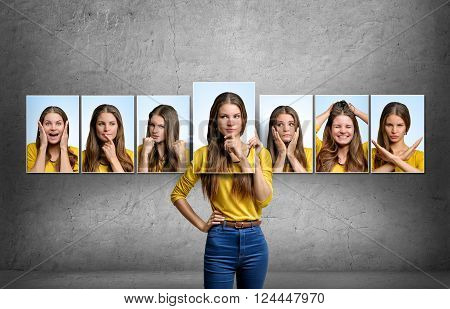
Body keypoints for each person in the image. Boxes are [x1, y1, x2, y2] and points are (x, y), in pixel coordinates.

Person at [170, 92, 273, 289]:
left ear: (243, 119)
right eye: (224, 116)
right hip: (220, 241)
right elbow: (177, 194)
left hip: (255, 242)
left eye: (236, 116)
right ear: (215, 121)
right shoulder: (204, 155)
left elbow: (264, 200)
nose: (231, 122)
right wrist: (202, 225)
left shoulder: (260, 153)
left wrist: (246, 160)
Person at [315, 100, 368, 172]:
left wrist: (357, 112)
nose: (343, 131)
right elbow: (309, 128)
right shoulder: (320, 149)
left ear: (354, 129)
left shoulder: (364, 151)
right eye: (337, 126)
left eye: (348, 127)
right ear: (330, 129)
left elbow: (379, 126)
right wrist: (327, 113)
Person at [372, 102, 424, 173]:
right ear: (383, 126)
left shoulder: (420, 156)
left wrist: (395, 160)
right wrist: (400, 159)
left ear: (407, 127)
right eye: (389, 125)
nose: (394, 131)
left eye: (399, 125)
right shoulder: (372, 154)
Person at [82, 104, 134, 172]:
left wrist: (113, 159)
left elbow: (126, 182)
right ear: (94, 127)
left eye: (112, 124)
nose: (106, 129)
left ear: (118, 127)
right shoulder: (82, 156)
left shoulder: (132, 156)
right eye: (101, 124)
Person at [27, 106, 78, 173]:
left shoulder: (76, 152)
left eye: (58, 123)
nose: (53, 128)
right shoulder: (31, 149)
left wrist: (63, 148)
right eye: (48, 123)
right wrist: (43, 146)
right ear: (41, 127)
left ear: (65, 127)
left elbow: (68, 181)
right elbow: (33, 180)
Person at [138, 105, 187, 172]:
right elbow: (140, 181)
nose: (155, 131)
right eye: (152, 125)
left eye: (161, 126)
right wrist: (144, 154)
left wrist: (181, 158)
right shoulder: (139, 150)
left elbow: (183, 181)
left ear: (171, 128)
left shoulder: (186, 153)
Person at [267, 105, 313, 172]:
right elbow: (273, 182)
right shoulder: (264, 154)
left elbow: (309, 181)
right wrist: (282, 153)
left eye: (291, 124)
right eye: (280, 124)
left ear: (297, 129)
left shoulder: (310, 153)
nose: (286, 129)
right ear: (273, 129)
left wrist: (291, 155)